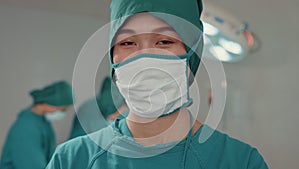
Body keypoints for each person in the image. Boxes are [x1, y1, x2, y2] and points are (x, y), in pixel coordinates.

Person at [46, 0, 268, 168]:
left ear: (191, 54)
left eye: (164, 41)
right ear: (113, 59)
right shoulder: (72, 159)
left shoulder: (240, 161)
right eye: (128, 42)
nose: (145, 60)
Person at [0, 81, 73, 169]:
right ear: (47, 103)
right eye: (62, 109)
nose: (62, 113)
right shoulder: (26, 129)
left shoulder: (42, 122)